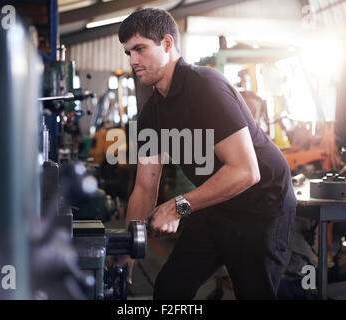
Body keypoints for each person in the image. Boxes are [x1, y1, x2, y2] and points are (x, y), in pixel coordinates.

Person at [115, 8, 297, 300]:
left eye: (139, 49)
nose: (133, 60)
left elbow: (245, 171)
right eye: (128, 53)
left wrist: (177, 207)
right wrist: (128, 253)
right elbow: (144, 188)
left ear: (166, 44)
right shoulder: (151, 114)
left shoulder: (205, 86)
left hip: (261, 203)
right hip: (217, 203)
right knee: (170, 289)